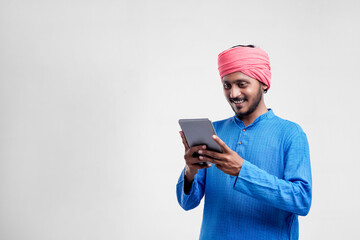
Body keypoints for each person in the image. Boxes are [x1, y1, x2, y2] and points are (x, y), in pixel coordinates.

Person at [176, 45, 312, 239]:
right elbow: (187, 203)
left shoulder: (291, 133)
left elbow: (301, 200)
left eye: (242, 84)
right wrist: (190, 171)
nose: (233, 94)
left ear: (263, 83)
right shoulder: (215, 132)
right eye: (227, 85)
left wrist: (242, 170)